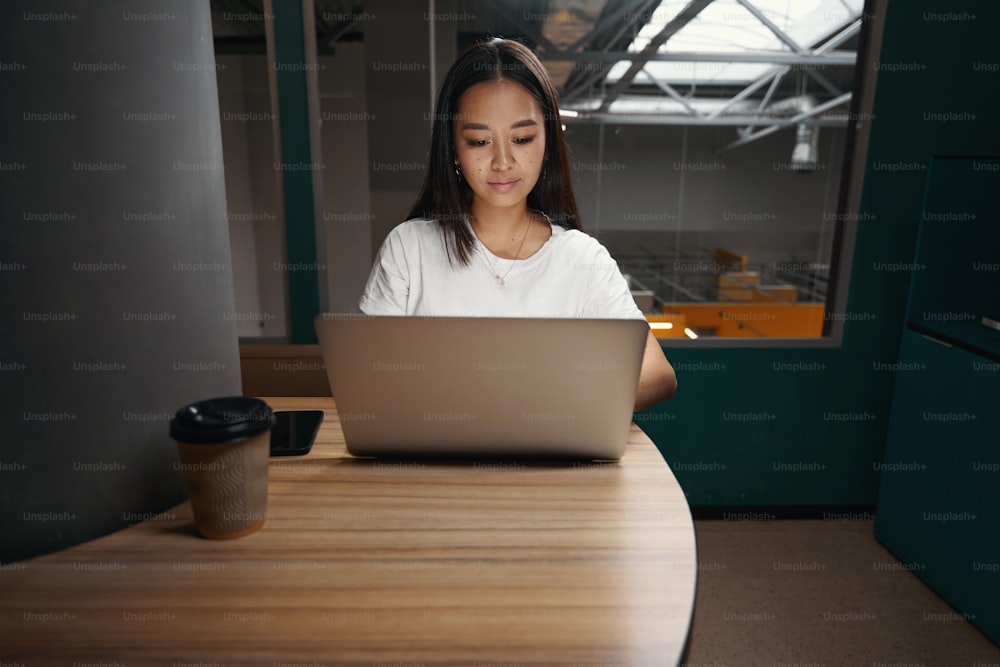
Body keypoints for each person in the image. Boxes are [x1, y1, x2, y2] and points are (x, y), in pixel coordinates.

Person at [359, 38, 677, 410]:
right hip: (436, 459)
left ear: (548, 141)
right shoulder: (408, 249)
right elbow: (367, 376)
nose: (503, 161)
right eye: (479, 141)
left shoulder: (581, 258)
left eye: (522, 138)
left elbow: (658, 375)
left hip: (551, 455)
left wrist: (549, 403)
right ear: (453, 149)